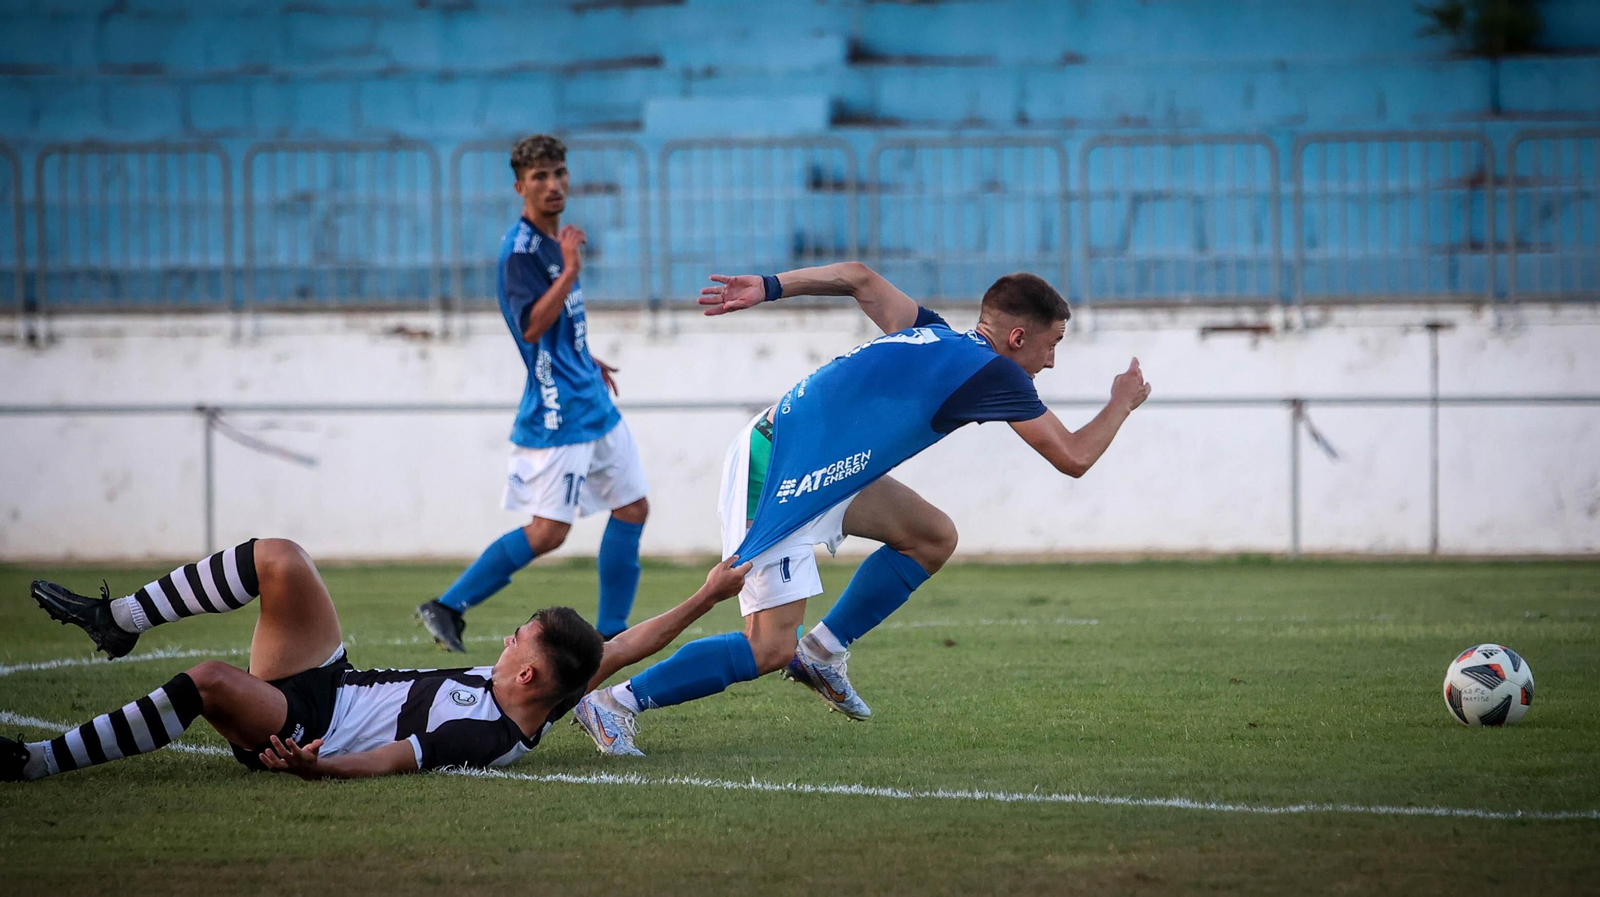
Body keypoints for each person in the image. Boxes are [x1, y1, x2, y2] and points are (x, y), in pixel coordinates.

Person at [572, 263, 1150, 756]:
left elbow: (857, 277)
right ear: (1019, 338)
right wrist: (1121, 403)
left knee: (931, 537)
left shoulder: (931, 333)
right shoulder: (995, 371)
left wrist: (771, 286)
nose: (1050, 362)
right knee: (768, 646)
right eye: (1053, 345)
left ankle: (822, 652)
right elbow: (1073, 457)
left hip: (814, 461)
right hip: (778, 471)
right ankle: (614, 703)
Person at [5, 538, 748, 781]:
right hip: (332, 677)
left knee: (204, 682)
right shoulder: (548, 698)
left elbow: (392, 760)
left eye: (514, 637)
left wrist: (313, 765)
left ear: (526, 674)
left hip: (302, 722)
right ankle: (120, 619)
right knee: (281, 558)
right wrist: (708, 593)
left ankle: (34, 759)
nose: (504, 639)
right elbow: (625, 644)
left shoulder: (484, 733)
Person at [416, 133, 649, 651]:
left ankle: (610, 635)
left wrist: (586, 356)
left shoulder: (553, 240)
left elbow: (561, 324)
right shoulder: (521, 252)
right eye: (540, 177)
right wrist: (569, 271)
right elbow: (530, 327)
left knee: (632, 507)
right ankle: (447, 605)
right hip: (559, 410)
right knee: (548, 532)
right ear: (520, 186)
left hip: (591, 397)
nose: (553, 184)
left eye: (559, 172)